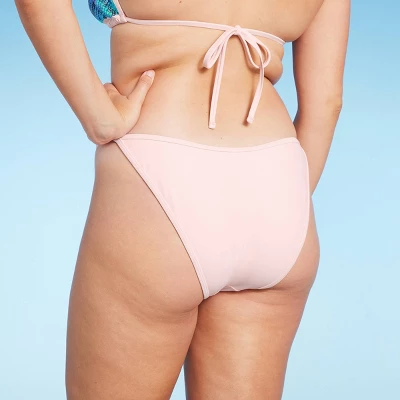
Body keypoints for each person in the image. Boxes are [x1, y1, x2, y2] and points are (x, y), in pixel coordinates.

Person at [15, 0, 350, 398]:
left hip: (159, 174)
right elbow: (326, 103)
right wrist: (280, 206)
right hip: (276, 185)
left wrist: (98, 116)